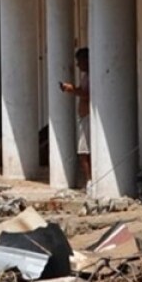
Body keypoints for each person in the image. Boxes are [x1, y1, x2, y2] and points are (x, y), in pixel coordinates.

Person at [59, 47, 90, 186]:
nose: (77, 65)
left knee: (84, 151)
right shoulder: (86, 76)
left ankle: (90, 182)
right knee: (83, 151)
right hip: (84, 117)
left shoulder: (92, 76)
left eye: (79, 61)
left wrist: (72, 90)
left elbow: (88, 94)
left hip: (88, 117)